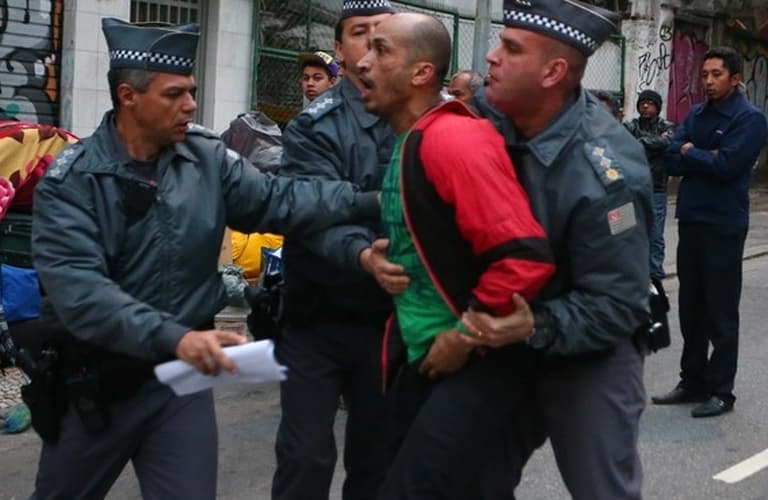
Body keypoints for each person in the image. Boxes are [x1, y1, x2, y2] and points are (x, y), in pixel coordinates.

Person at [30, 17, 380, 500]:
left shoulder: (205, 159)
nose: (191, 105)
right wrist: (179, 339)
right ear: (129, 97)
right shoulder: (71, 183)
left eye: (191, 91)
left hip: (179, 386)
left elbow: (280, 200)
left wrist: (372, 200)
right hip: (97, 386)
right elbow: (84, 297)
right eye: (174, 94)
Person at [354, 13, 555, 498]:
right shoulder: (412, 138)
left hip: (474, 367)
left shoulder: (453, 139)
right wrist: (385, 254)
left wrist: (465, 336)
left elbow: (523, 256)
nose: (362, 63)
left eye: (381, 51)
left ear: (422, 73)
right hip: (424, 360)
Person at [463, 1, 653, 498]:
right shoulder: (483, 115)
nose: (491, 57)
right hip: (505, 337)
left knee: (602, 489)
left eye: (510, 48)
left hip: (589, 351)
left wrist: (537, 325)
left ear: (553, 72)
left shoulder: (609, 175)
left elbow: (619, 302)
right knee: (469, 478)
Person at [271, 1, 395, 499]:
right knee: (305, 457)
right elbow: (309, 214)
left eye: (382, 36)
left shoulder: (420, 116)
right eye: (360, 34)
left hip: (389, 321)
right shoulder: (313, 126)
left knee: (378, 459)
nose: (372, 45)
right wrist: (365, 253)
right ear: (340, 50)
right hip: (315, 318)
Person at [653, 46, 767, 418]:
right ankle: (692, 380)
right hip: (691, 220)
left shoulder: (749, 119)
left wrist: (691, 152)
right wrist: (696, 153)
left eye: (716, 74)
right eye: (704, 74)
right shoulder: (697, 114)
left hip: (724, 224)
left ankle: (721, 390)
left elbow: (728, 166)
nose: (708, 81)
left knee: (720, 310)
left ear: (735, 79)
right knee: (691, 307)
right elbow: (670, 158)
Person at [624, 89, 674, 282]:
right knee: (625, 229)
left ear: (658, 107)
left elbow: (667, 141)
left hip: (656, 188)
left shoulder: (666, 125)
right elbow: (623, 144)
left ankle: (655, 275)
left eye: (650, 103)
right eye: (642, 102)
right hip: (630, 188)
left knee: (655, 235)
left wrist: (642, 143)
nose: (645, 106)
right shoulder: (631, 126)